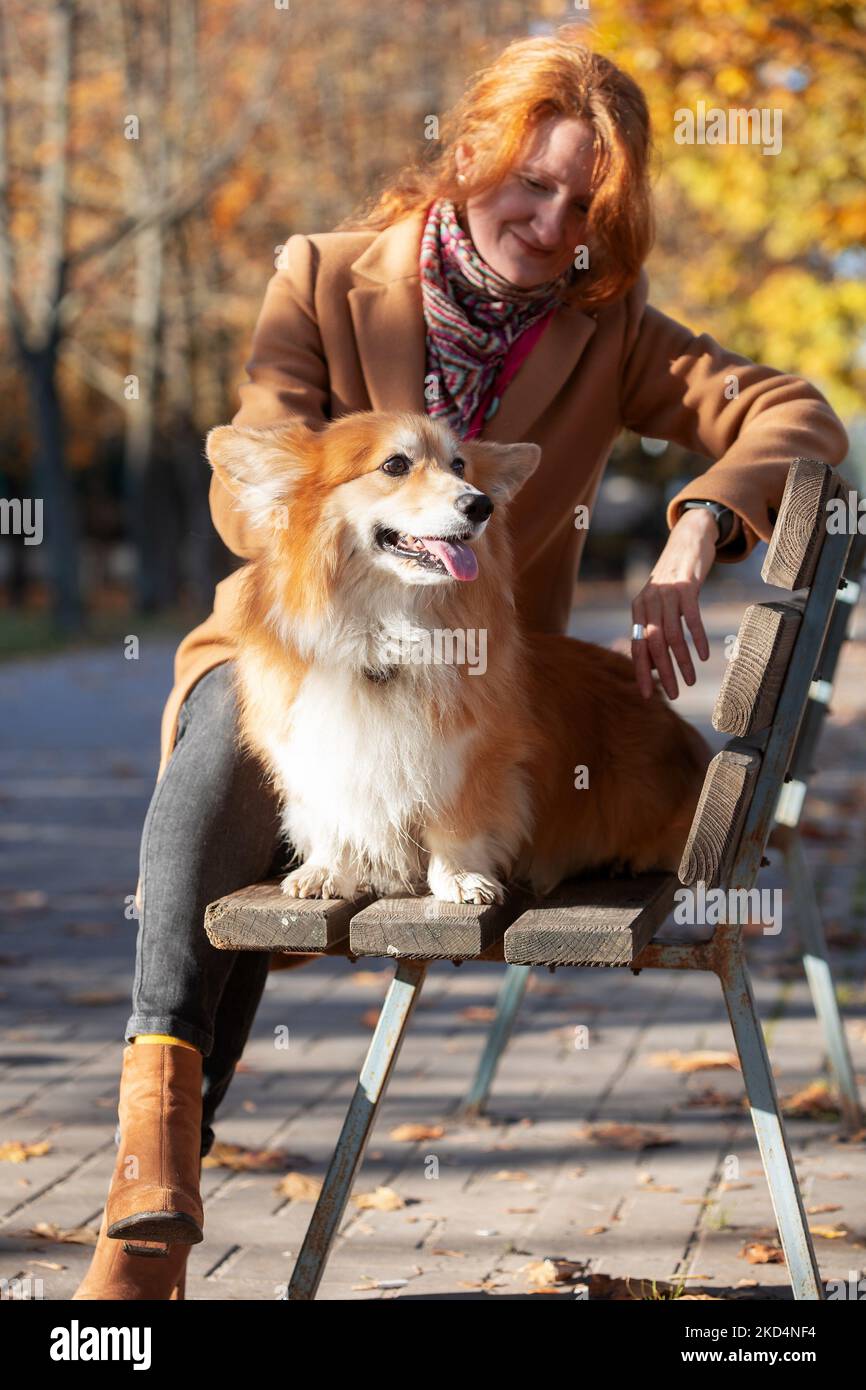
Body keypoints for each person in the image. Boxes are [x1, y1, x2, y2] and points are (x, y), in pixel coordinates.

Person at [74, 30, 848, 1299]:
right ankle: (150, 1181)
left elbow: (792, 412)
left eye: (582, 203)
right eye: (527, 185)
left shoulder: (611, 331)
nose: (547, 224)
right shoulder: (323, 278)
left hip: (460, 688)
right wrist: (327, 507)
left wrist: (696, 523)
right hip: (301, 643)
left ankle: (145, 1227)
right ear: (468, 156)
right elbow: (249, 460)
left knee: (270, 854)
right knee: (217, 781)